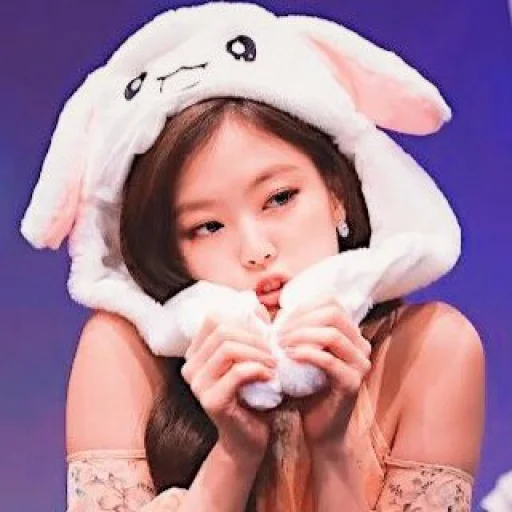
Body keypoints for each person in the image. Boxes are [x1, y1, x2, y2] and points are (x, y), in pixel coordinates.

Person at [21, 3, 485, 511]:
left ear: (336, 192)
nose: (256, 250)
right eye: (207, 226)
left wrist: (331, 451)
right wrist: (233, 456)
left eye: (280, 198)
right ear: (171, 250)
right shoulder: (122, 353)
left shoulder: (431, 349)